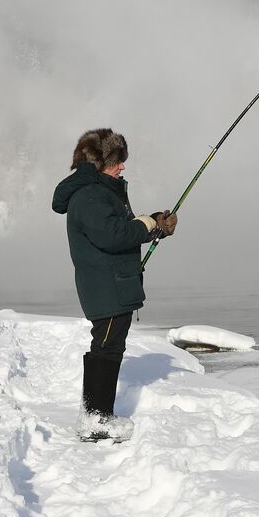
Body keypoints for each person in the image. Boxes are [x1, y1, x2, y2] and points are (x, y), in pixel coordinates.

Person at [51, 128, 178, 442]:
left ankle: (97, 416)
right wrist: (147, 224)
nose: (122, 167)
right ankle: (96, 420)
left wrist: (155, 224)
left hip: (114, 284)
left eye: (121, 161)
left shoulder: (103, 190)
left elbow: (121, 229)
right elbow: (113, 236)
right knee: (106, 350)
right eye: (116, 162)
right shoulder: (90, 196)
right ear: (97, 163)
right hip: (106, 288)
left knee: (108, 347)